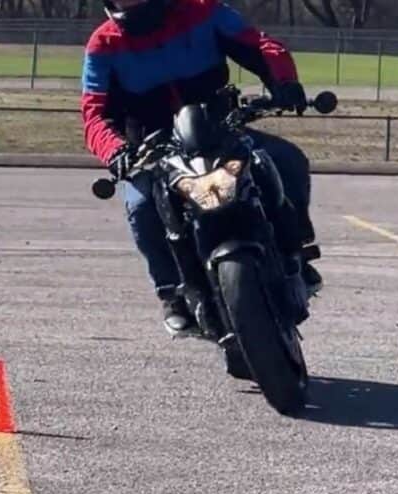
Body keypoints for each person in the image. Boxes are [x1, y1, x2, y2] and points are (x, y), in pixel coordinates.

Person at [80, 0, 323, 336]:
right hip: (153, 149)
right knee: (140, 205)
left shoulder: (204, 11)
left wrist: (283, 82)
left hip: (220, 131)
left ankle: (296, 253)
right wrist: (115, 149)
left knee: (286, 160)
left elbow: (260, 45)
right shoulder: (103, 44)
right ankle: (172, 293)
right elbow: (94, 112)